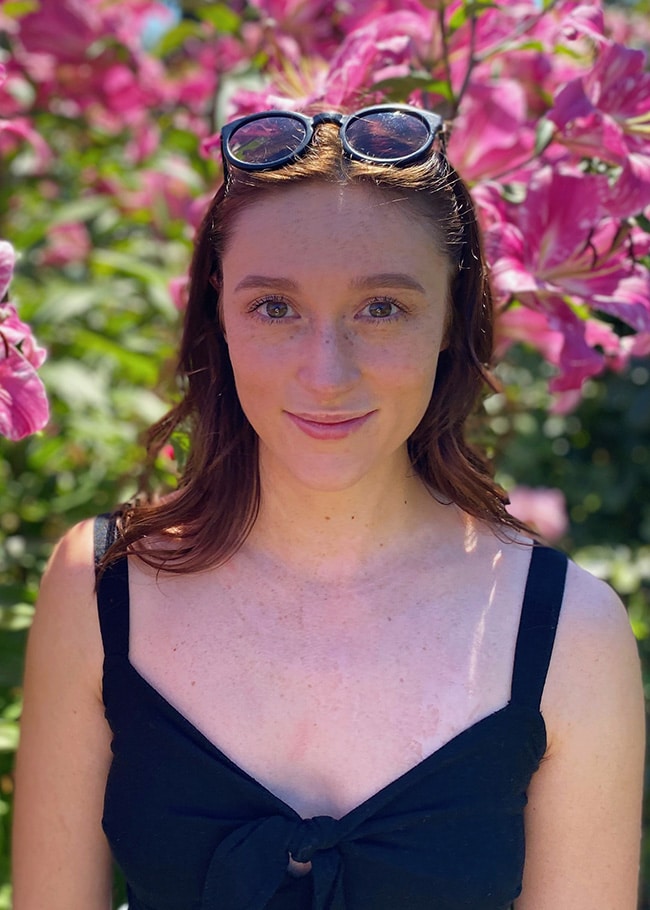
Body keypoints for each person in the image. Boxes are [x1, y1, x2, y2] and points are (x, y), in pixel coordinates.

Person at [12, 104, 644, 910]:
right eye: (274, 307)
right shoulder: (99, 588)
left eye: (382, 307)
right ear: (219, 316)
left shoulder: (572, 634)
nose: (326, 372)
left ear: (452, 317)